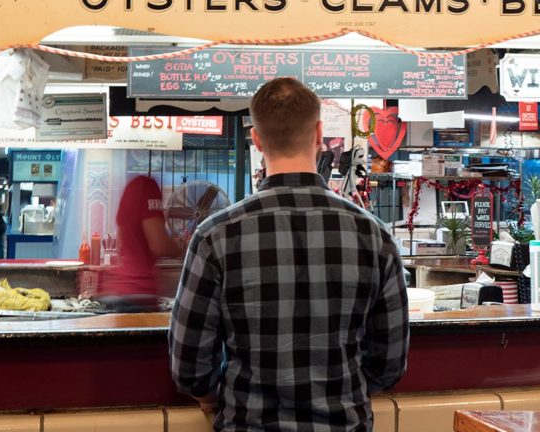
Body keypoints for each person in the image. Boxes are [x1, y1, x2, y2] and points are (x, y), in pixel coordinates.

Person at [170, 78, 409, 431]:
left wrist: (208, 395)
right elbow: (389, 362)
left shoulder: (214, 236)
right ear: (318, 135)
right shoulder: (374, 235)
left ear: (257, 139)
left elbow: (189, 364)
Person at [101, 175, 181, 310]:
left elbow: (120, 243)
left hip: (121, 289)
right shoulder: (148, 187)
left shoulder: (130, 189)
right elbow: (159, 245)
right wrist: (183, 247)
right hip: (141, 293)